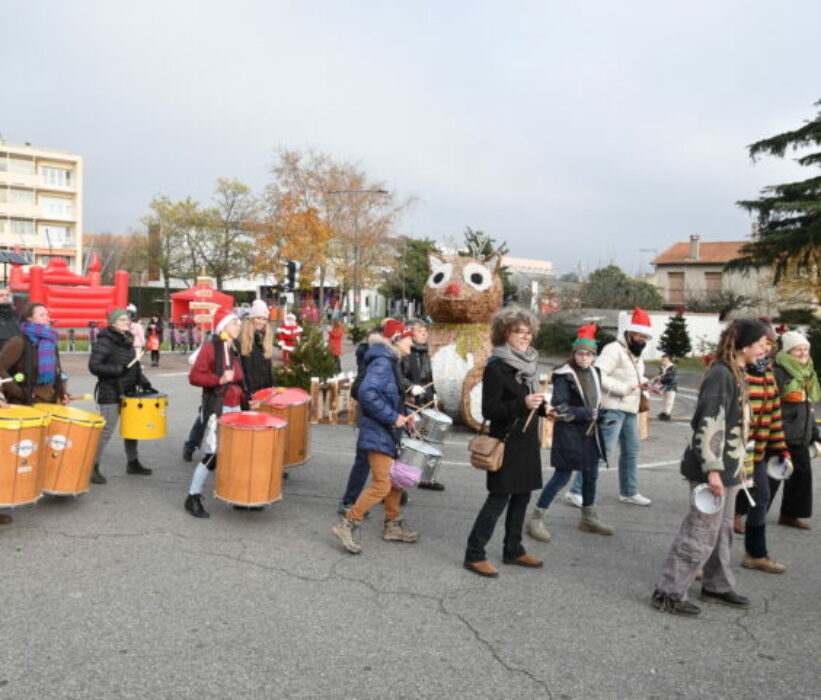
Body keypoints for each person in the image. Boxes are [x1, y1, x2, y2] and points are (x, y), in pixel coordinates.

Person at [651, 319, 769, 616]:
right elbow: (709, 424)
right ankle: (668, 592)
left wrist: (739, 466)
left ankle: (717, 585)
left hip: (726, 467)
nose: (764, 350)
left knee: (723, 529)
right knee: (701, 531)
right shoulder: (721, 375)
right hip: (709, 468)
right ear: (743, 345)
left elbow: (736, 427)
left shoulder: (736, 372)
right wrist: (714, 470)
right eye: (761, 344)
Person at [464, 307, 547, 577]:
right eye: (518, 332)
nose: (526, 337)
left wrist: (546, 409)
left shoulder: (530, 363)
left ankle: (514, 549)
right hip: (506, 441)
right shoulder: (496, 367)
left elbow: (532, 401)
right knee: (498, 499)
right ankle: (474, 554)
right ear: (504, 334)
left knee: (522, 496)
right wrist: (522, 403)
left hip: (526, 441)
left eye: (528, 331)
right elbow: (489, 411)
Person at [332, 319, 419, 554]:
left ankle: (393, 524)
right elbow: (366, 393)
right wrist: (392, 417)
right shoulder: (382, 362)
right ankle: (347, 523)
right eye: (409, 337)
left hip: (385, 430)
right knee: (382, 485)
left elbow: (386, 395)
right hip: (378, 430)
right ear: (396, 339)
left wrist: (403, 415)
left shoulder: (391, 361)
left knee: (394, 480)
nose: (412, 342)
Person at [526, 325, 613, 542]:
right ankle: (536, 518)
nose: (584, 357)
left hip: (591, 433)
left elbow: (594, 401)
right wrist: (590, 413)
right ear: (574, 354)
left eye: (589, 354)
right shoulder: (564, 375)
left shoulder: (596, 372)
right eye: (580, 353)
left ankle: (588, 518)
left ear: (594, 356)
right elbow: (560, 407)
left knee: (591, 475)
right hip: (569, 433)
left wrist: (600, 414)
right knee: (562, 477)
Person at [565, 307, 652, 507]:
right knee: (602, 451)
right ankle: (575, 490)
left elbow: (630, 376)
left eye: (646, 337)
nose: (643, 340)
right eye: (640, 336)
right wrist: (622, 388)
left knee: (631, 451)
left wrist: (644, 381)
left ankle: (629, 492)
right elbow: (598, 373)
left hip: (629, 409)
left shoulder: (635, 353)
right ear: (630, 333)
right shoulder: (613, 349)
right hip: (612, 407)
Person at [733, 341, 791, 574]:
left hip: (755, 453)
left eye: (769, 345)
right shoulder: (735, 371)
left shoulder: (767, 372)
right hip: (731, 452)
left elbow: (774, 415)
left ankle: (755, 554)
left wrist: (781, 450)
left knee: (762, 497)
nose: (765, 349)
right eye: (761, 344)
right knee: (719, 508)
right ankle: (700, 560)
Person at [184, 308, 245, 519]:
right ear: (224, 326)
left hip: (234, 406)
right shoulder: (212, 347)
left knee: (232, 453)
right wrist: (219, 380)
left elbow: (236, 377)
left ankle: (235, 495)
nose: (239, 326)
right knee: (212, 455)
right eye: (235, 323)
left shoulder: (231, 347)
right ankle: (192, 496)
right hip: (217, 408)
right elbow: (194, 377)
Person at [88, 308, 155, 484]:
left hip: (129, 391)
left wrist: (144, 381)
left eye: (128, 319)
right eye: (123, 319)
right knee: (106, 430)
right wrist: (118, 370)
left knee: (132, 428)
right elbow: (94, 366)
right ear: (114, 323)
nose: (127, 322)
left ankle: (132, 463)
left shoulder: (126, 339)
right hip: (110, 391)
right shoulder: (105, 341)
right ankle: (91, 467)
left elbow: (134, 366)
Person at [771, 331, 820, 529]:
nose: (803, 353)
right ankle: (741, 513)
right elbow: (773, 397)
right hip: (780, 432)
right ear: (788, 351)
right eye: (798, 349)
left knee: (802, 476)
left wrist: (815, 435)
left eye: (806, 349)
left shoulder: (808, 372)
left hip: (800, 434)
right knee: (771, 476)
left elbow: (809, 405)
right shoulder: (779, 369)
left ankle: (790, 515)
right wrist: (788, 391)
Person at [336, 326, 381, 515]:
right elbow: (360, 389)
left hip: (377, 416)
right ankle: (350, 501)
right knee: (364, 459)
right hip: (371, 417)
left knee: (380, 459)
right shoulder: (373, 359)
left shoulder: (378, 358)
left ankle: (388, 492)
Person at [398, 319, 443, 491]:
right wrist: (409, 388)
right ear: (410, 333)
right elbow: (399, 377)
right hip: (410, 403)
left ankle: (427, 478)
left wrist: (435, 393)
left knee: (428, 440)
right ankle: (399, 484)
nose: (425, 334)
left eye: (426, 331)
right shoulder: (404, 352)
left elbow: (430, 377)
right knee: (408, 444)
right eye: (420, 331)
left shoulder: (427, 352)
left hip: (427, 401)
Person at [0, 303, 69, 407]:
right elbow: (1, 368)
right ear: (29, 319)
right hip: (24, 404)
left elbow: (57, 370)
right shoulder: (19, 342)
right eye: (42, 315)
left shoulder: (50, 340)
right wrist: (20, 392)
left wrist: (62, 393)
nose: (46, 318)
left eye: (47, 315)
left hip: (49, 401)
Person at [239, 300, 275, 395]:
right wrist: (248, 392)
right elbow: (243, 370)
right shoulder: (242, 338)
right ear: (252, 318)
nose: (261, 322)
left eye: (264, 319)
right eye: (258, 318)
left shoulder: (266, 337)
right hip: (249, 392)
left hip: (265, 391)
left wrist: (271, 387)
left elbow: (268, 368)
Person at [656, 354, 677, 421]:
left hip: (671, 387)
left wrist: (661, 378)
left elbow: (670, 377)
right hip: (664, 386)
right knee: (664, 400)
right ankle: (664, 412)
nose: (663, 361)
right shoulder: (662, 367)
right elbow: (660, 375)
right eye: (662, 360)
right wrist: (658, 378)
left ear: (669, 360)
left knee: (669, 401)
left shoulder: (672, 367)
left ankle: (667, 413)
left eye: (665, 360)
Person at [0, 286, 20, 352]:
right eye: (1, 295)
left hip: (16, 351)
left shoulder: (15, 314)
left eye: (7, 295)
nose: (5, 297)